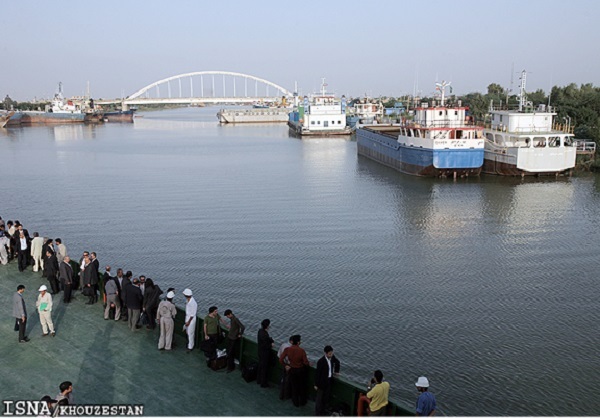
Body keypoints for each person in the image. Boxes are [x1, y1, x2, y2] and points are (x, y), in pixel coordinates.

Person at [279, 334, 309, 407]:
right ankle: (302, 401)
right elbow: (306, 362)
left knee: (294, 386)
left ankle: (295, 402)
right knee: (301, 386)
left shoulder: (287, 349)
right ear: (298, 342)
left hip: (291, 370)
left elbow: (280, 359)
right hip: (300, 370)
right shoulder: (301, 351)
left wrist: (285, 365)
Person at [314, 345, 341, 416]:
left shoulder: (332, 358)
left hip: (329, 381)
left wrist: (336, 371)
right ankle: (318, 413)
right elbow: (318, 374)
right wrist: (316, 384)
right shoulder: (321, 361)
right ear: (325, 353)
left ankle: (323, 411)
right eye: (329, 354)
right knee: (319, 400)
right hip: (321, 383)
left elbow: (337, 362)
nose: (331, 355)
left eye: (331, 353)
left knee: (326, 398)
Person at [256, 319, 274, 388]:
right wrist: (271, 345)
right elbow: (266, 345)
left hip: (260, 352)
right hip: (264, 353)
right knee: (264, 368)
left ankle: (259, 380)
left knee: (260, 366)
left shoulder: (260, 331)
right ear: (267, 326)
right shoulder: (265, 334)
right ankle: (263, 383)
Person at [277, 336, 294, 400]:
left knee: (283, 379)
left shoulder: (283, 345)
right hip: (289, 366)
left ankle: (281, 394)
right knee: (287, 381)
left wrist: (284, 364)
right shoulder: (291, 348)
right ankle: (286, 395)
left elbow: (279, 355)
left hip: (283, 364)